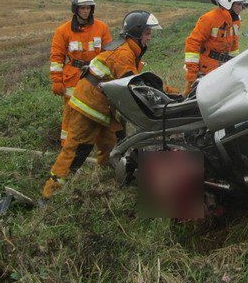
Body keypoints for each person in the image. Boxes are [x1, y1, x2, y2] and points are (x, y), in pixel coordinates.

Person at [42, 10, 161, 199]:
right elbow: (135, 87)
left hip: (103, 108)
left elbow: (139, 82)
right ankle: (49, 195)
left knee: (113, 148)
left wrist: (167, 92)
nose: (150, 37)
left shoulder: (130, 51)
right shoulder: (124, 54)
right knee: (76, 152)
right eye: (147, 33)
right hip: (89, 108)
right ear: (137, 33)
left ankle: (109, 182)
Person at [49, 0, 112, 143]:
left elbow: (109, 54)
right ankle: (67, 146)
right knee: (71, 112)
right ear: (75, 9)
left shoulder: (102, 28)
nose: (86, 11)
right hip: (73, 78)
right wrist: (57, 81)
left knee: (95, 110)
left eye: (88, 8)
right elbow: (57, 58)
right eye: (82, 8)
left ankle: (90, 143)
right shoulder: (63, 30)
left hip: (95, 76)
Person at [183, 0, 248, 93]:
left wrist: (235, 65)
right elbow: (192, 43)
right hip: (204, 69)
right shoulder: (209, 19)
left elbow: (234, 45)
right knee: (191, 98)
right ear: (228, 3)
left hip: (222, 68)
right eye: (239, 4)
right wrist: (192, 73)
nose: (241, 8)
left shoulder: (236, 21)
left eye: (242, 4)